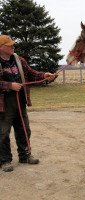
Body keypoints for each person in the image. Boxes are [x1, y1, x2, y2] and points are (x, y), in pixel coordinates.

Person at [0, 35, 55, 172]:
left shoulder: (19, 60)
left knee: (24, 129)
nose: (13, 46)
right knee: (3, 133)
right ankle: (5, 161)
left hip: (20, 101)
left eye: (13, 44)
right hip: (3, 104)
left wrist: (43, 75)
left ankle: (25, 156)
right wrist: (9, 85)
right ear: (1, 47)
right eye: (10, 44)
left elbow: (31, 73)